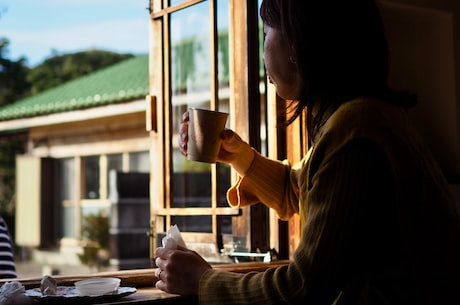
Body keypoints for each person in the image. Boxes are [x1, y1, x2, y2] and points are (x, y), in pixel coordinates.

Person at [154, 0, 460, 304]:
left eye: (264, 35)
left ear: (297, 43)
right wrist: (238, 156)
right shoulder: (369, 116)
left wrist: (204, 282)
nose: (262, 54)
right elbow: (298, 189)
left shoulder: (354, 131)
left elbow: (301, 288)